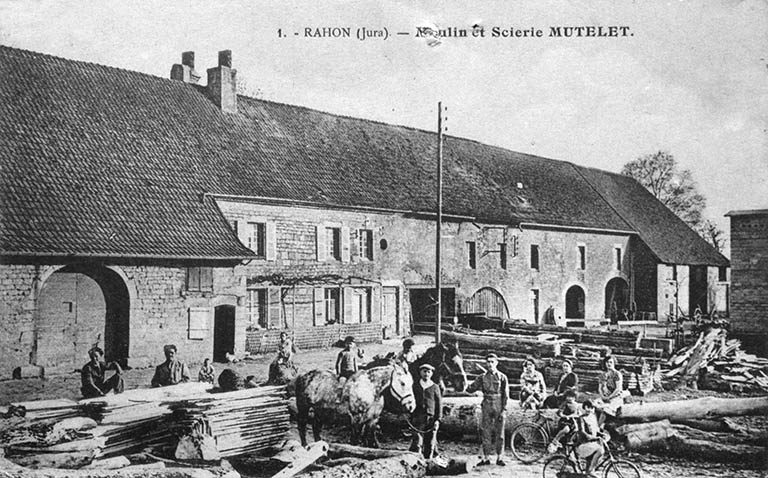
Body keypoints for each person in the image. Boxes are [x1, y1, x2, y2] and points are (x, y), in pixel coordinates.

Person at [466, 353, 509, 466]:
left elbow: (506, 395)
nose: (490, 364)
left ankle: (500, 457)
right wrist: (464, 380)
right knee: (486, 432)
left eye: (492, 362)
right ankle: (486, 458)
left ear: (496, 363)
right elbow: (470, 389)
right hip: (486, 404)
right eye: (488, 362)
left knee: (500, 433)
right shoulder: (482, 377)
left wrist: (504, 410)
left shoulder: (502, 377)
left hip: (498, 403)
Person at [409, 363, 442, 459]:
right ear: (420, 372)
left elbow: (439, 404)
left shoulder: (435, 387)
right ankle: (415, 460)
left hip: (430, 418)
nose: (426, 374)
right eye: (424, 371)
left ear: (431, 373)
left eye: (428, 372)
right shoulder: (415, 386)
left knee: (430, 440)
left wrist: (438, 420)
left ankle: (428, 460)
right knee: (417, 440)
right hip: (417, 417)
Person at [575, 400, 606, 478]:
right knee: (600, 450)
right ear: (584, 408)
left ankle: (588, 471)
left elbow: (596, 430)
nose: (589, 409)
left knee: (600, 450)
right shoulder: (581, 418)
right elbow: (582, 432)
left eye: (592, 408)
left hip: (591, 443)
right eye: (587, 407)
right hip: (583, 444)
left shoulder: (593, 417)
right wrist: (593, 437)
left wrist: (601, 434)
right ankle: (590, 470)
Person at [547, 389, 580, 453]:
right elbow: (559, 412)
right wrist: (564, 416)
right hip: (565, 421)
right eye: (568, 397)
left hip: (572, 421)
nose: (570, 398)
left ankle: (568, 445)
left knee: (576, 430)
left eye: (572, 397)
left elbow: (577, 413)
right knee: (566, 429)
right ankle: (555, 440)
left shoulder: (576, 405)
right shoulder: (565, 404)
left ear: (575, 398)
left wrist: (577, 415)